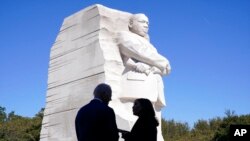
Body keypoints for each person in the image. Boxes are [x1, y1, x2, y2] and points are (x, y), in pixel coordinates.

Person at [116, 13, 171, 141]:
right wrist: (162, 62)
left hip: (153, 87)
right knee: (133, 119)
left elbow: (165, 69)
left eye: (148, 23)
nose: (146, 25)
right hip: (135, 85)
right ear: (130, 24)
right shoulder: (125, 36)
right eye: (142, 22)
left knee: (155, 126)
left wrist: (158, 68)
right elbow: (136, 51)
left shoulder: (150, 45)